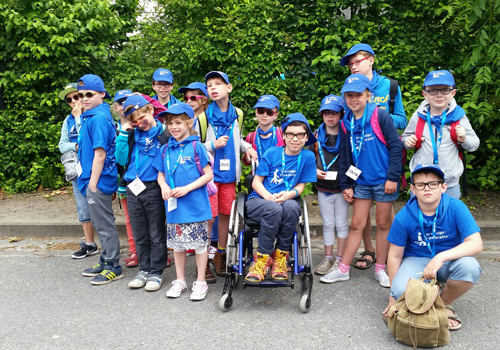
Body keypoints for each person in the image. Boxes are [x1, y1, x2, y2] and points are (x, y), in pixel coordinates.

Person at [320, 74, 402, 287]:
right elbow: (347, 155)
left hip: (384, 181)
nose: (353, 99)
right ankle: (343, 269)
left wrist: (393, 177)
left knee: (384, 224)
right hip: (362, 181)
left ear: (368, 95)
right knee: (357, 224)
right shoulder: (346, 122)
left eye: (358, 95)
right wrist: (346, 184)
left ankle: (381, 268)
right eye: (349, 96)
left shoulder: (380, 116)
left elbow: (395, 147)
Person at [382, 164, 482, 331]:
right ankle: (419, 300)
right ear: (413, 189)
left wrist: (440, 257)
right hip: (416, 260)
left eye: (433, 183)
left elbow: (476, 243)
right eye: (420, 185)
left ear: (443, 187)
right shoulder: (404, 216)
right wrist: (393, 297)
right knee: (400, 292)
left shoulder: (456, 207)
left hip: (447, 260)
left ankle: (443, 303)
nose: (427, 188)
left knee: (470, 267)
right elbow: (394, 256)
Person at [340, 43, 407, 269]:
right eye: (350, 64)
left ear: (371, 60)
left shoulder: (390, 86)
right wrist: (346, 181)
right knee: (360, 218)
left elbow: (402, 121)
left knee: (384, 219)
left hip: (382, 164)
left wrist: (377, 118)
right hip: (361, 172)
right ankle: (368, 251)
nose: (353, 66)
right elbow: (347, 144)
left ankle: (385, 260)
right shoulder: (349, 97)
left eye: (357, 61)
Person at [244, 113, 317, 284]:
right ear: (283, 135)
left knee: (292, 207)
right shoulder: (272, 153)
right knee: (274, 208)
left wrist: (288, 194)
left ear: (306, 137)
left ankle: (280, 258)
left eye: (300, 135)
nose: (295, 139)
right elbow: (256, 182)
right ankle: (261, 260)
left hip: (287, 199)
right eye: (290, 134)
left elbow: (301, 186)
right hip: (260, 199)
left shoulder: (307, 157)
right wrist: (268, 197)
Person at [154, 102, 213, 300]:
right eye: (170, 123)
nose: (174, 127)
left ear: (189, 123)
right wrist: (163, 186)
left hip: (195, 206)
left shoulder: (197, 147)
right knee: (178, 245)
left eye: (178, 122)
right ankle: (180, 280)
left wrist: (187, 188)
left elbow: (208, 175)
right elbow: (160, 175)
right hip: (174, 208)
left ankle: (201, 281)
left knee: (199, 245)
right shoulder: (164, 149)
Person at [203, 71, 258, 276]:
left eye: (218, 83)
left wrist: (248, 147)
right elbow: (193, 147)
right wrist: (212, 144)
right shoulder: (203, 117)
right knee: (208, 217)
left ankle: (221, 254)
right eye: (209, 85)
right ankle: (205, 258)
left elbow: (238, 139)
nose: (213, 88)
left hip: (229, 177)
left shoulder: (238, 114)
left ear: (229, 87)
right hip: (208, 176)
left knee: (226, 214)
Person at [114, 95, 168, 291]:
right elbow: (120, 159)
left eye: (142, 118)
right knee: (139, 232)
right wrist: (122, 134)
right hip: (133, 186)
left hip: (155, 186)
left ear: (151, 111)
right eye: (134, 121)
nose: (139, 124)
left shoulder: (164, 132)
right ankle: (144, 269)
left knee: (156, 232)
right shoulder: (131, 134)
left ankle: (156, 271)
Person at [401, 70, 480, 199]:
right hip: (421, 182)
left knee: (448, 217)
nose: (439, 95)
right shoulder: (418, 117)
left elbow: (474, 144)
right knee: (419, 217)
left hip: (449, 184)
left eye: (444, 90)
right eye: (433, 90)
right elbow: (405, 138)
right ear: (425, 94)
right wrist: (408, 142)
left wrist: (464, 139)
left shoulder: (459, 117)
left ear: (453, 93)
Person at [77, 74, 122, 285]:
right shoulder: (91, 116)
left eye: (89, 94)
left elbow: (100, 154)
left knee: (104, 225)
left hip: (97, 180)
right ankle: (105, 259)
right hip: (92, 179)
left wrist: (93, 184)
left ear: (102, 94)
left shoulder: (98, 120)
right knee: (99, 221)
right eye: (80, 95)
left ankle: (114, 265)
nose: (84, 98)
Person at [177, 81, 217, 283]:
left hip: (205, 175)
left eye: (193, 97)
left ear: (203, 99)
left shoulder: (208, 118)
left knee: (207, 219)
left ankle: (208, 259)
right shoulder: (181, 120)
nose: (189, 101)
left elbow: (202, 147)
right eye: (186, 98)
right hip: (186, 175)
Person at [309, 95, 349, 275]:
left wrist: (351, 185)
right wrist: (314, 172)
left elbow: (354, 161)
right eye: (326, 113)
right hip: (323, 188)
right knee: (327, 224)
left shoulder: (347, 134)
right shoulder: (316, 135)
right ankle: (327, 258)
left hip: (342, 188)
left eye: (334, 113)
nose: (330, 117)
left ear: (341, 114)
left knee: (341, 224)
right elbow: (308, 159)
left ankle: (339, 259)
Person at [58, 82, 97, 259]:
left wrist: (80, 118)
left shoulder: (93, 116)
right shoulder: (68, 120)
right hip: (77, 169)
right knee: (83, 208)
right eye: (69, 99)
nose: (74, 101)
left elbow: (87, 140)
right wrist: (75, 145)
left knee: (99, 206)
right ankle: (90, 244)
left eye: (77, 96)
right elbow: (62, 145)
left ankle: (110, 245)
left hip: (94, 167)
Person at [112, 89, 138, 268]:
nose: (123, 106)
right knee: (130, 219)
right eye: (120, 103)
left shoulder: (142, 125)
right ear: (115, 107)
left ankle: (158, 252)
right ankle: (134, 251)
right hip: (124, 181)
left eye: (127, 101)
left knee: (153, 218)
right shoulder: (113, 128)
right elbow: (115, 159)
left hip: (146, 181)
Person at [243, 95, 285, 164]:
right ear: (256, 112)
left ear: (276, 115)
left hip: (278, 174)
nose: (264, 115)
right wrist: (247, 157)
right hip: (257, 174)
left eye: (269, 112)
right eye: (261, 111)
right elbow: (246, 162)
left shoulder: (282, 134)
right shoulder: (251, 137)